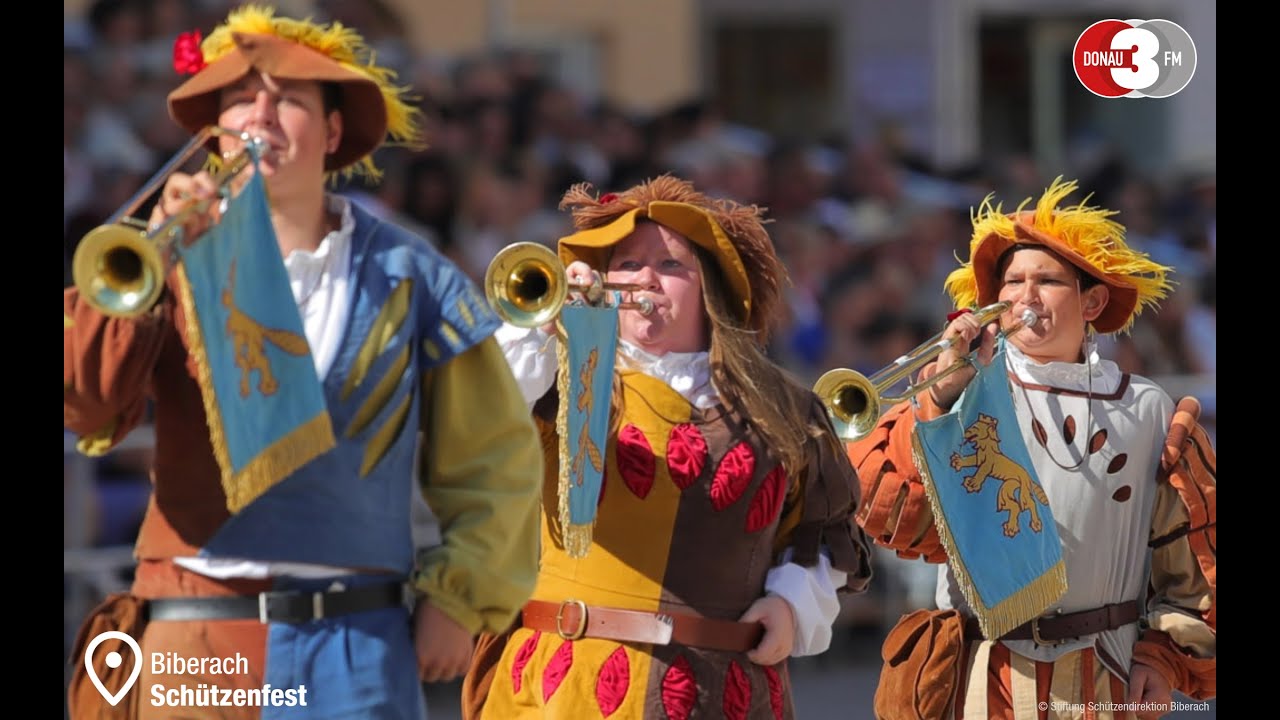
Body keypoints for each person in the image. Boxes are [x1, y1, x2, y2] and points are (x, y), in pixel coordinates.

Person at [63, 5, 543, 719]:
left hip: (357, 639)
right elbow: (86, 406)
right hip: (197, 632)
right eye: (239, 99)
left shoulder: (413, 271)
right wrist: (150, 267)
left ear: (333, 132)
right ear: (214, 132)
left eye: (287, 99)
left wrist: (461, 595)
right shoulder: (170, 253)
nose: (260, 115)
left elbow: (494, 456)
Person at [462, 175, 873, 719]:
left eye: (670, 264)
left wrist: (790, 604)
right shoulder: (555, 375)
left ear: (711, 289)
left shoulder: (785, 408)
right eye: (627, 263)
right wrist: (548, 328)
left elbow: (821, 532)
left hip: (717, 691)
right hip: (565, 688)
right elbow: (475, 417)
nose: (644, 280)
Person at [848, 178, 1215, 720]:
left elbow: (1195, 563)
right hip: (980, 674)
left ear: (1092, 301)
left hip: (1104, 670)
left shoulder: (1148, 408)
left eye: (1047, 280)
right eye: (1013, 281)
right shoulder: (958, 391)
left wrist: (1161, 659)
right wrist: (941, 399)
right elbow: (890, 514)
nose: (1025, 297)